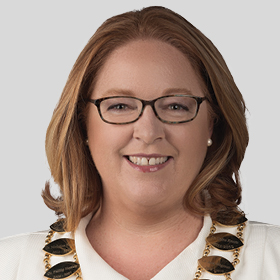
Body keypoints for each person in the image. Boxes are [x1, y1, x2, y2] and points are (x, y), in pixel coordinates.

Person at [0, 6, 279, 280]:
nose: (147, 132)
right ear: (83, 123)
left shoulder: (273, 258)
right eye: (120, 106)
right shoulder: (10, 265)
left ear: (212, 123)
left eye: (175, 106)